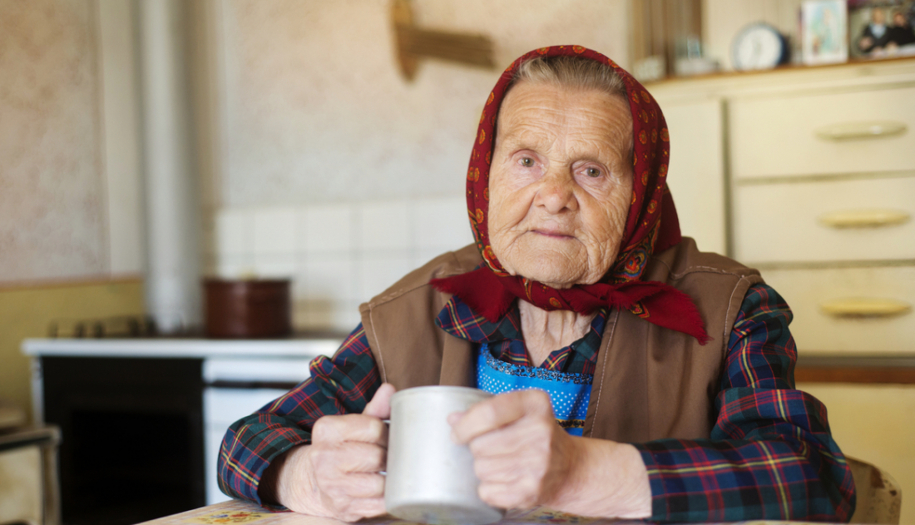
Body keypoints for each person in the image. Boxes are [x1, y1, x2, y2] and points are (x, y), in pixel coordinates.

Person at [217, 46, 855, 523]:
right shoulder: (422, 302)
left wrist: (582, 473)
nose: (553, 197)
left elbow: (812, 476)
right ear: (485, 176)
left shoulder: (732, 307)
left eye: (592, 171)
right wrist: (307, 476)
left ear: (644, 198)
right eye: (526, 161)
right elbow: (244, 443)